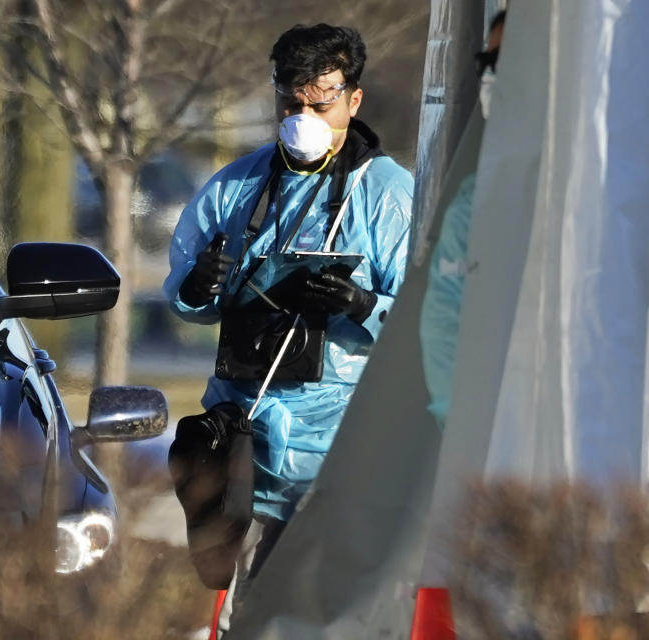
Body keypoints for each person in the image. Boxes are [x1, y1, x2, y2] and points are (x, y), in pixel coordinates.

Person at [163, 23, 413, 634]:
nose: (303, 116)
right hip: (237, 440)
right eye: (289, 102)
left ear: (353, 100)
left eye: (320, 102)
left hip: (340, 449)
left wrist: (362, 304)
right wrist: (196, 288)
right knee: (226, 603)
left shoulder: (388, 196)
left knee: (314, 611)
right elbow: (183, 293)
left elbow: (424, 321)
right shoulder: (235, 188)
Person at [420, 9, 505, 427]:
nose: (491, 75)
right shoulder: (477, 200)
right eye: (486, 63)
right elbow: (444, 326)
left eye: (504, 61)